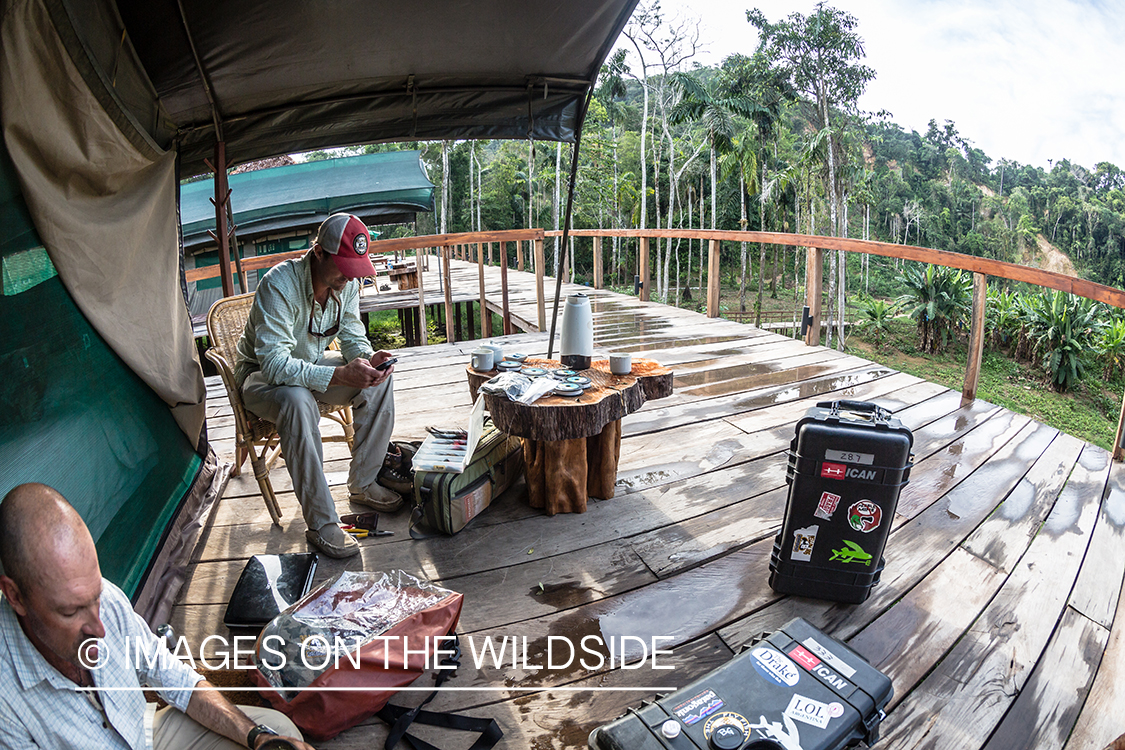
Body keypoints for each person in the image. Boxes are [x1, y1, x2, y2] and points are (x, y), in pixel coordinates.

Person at [0, 483, 312, 750]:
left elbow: (174, 678)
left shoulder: (101, 597)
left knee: (277, 732)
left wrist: (256, 737)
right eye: (70, 612)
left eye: (94, 597)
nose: (99, 627)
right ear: (15, 596)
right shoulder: (5, 700)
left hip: (143, 733)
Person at [234, 213, 403, 559]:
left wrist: (368, 361)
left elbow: (354, 336)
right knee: (298, 402)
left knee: (378, 383)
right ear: (319, 253)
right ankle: (322, 522)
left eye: (354, 268)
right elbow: (274, 365)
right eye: (342, 267)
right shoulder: (278, 284)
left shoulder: (348, 284)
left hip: (307, 370)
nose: (348, 277)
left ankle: (363, 483)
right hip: (260, 379)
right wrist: (340, 375)